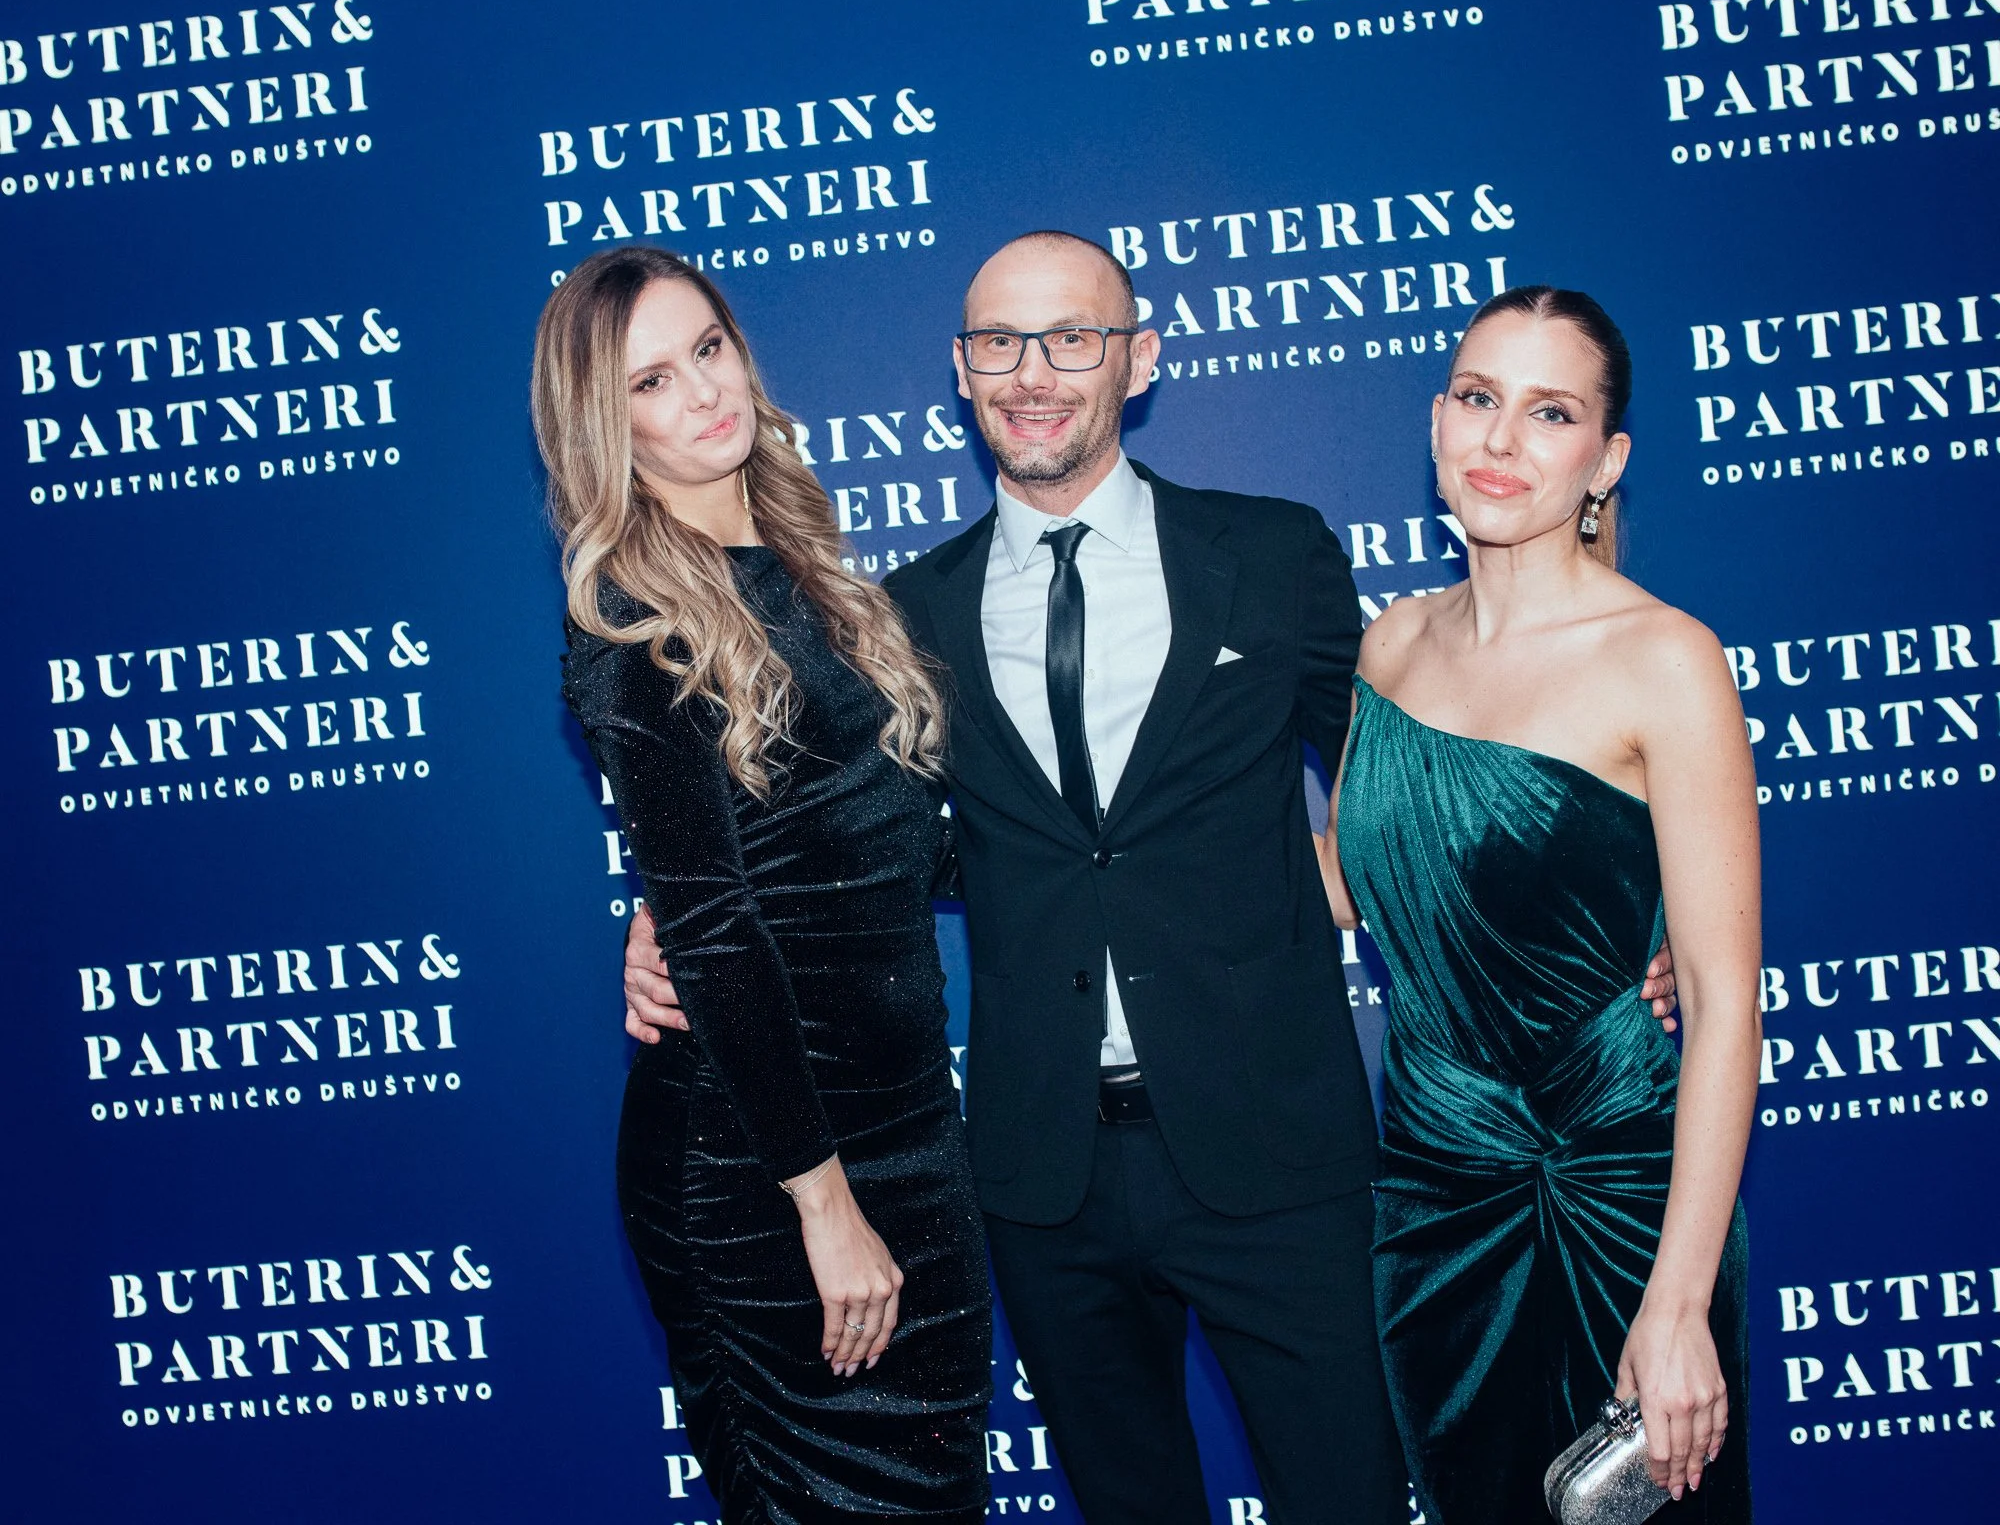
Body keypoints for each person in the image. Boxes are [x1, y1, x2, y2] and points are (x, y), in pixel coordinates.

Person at [623, 234, 1680, 1523]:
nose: (1033, 372)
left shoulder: (1274, 553)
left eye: (1071, 336)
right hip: (1037, 1174)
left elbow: (1413, 795)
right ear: (960, 372)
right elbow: (826, 831)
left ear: (1138, 359)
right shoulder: (897, 617)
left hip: (1279, 1157)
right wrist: (666, 912)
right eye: (999, 343)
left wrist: (1600, 924)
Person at [536, 244, 991, 1523]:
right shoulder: (631, 620)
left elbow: (886, 839)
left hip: (905, 1126)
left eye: (708, 349)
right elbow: (720, 930)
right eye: (650, 383)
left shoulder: (803, 559)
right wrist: (822, 1202)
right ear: (601, 426)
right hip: (765, 1160)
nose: (699, 393)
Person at [1323, 287, 1758, 1524]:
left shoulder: (1665, 657)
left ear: (1603, 461)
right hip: (1431, 1201)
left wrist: (1674, 1305)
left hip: (1625, 1195)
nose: (1499, 440)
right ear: (1434, 423)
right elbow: (1360, 887)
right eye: (1475, 398)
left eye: (1548, 412)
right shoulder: (1388, 646)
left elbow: (1725, 1006)